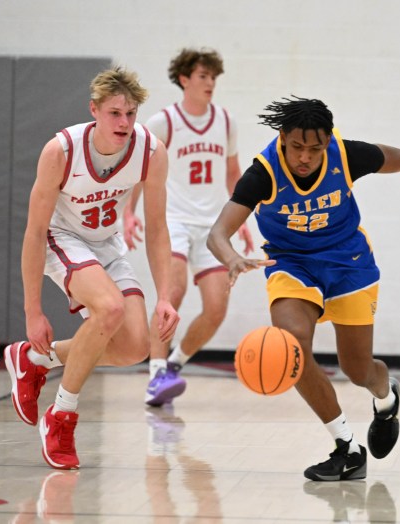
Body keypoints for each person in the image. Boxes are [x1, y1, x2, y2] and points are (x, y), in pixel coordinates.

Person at [207, 96, 400, 481]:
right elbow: (218, 232)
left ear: (326, 143)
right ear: (283, 138)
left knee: (358, 371)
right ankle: (347, 448)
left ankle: (386, 398)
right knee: (292, 344)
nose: (306, 157)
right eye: (298, 147)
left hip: (348, 262)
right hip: (292, 263)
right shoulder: (263, 173)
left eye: (315, 149)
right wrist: (232, 256)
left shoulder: (346, 155)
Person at [3, 66, 179, 470]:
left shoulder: (150, 151)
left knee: (135, 346)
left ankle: (35, 360)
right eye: (115, 113)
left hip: (106, 244)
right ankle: (61, 417)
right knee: (110, 309)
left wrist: (165, 297)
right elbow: (33, 232)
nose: (124, 123)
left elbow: (157, 229)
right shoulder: (61, 151)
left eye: (131, 114)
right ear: (94, 110)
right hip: (61, 238)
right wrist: (33, 311)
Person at [123, 48, 253, 406]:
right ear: (184, 79)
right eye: (202, 76)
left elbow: (232, 173)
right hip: (175, 221)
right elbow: (140, 169)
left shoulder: (226, 121)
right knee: (174, 291)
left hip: (212, 226)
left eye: (213, 77)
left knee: (216, 308)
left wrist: (239, 220)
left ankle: (174, 366)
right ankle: (155, 373)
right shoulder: (164, 122)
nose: (210, 83)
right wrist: (129, 213)